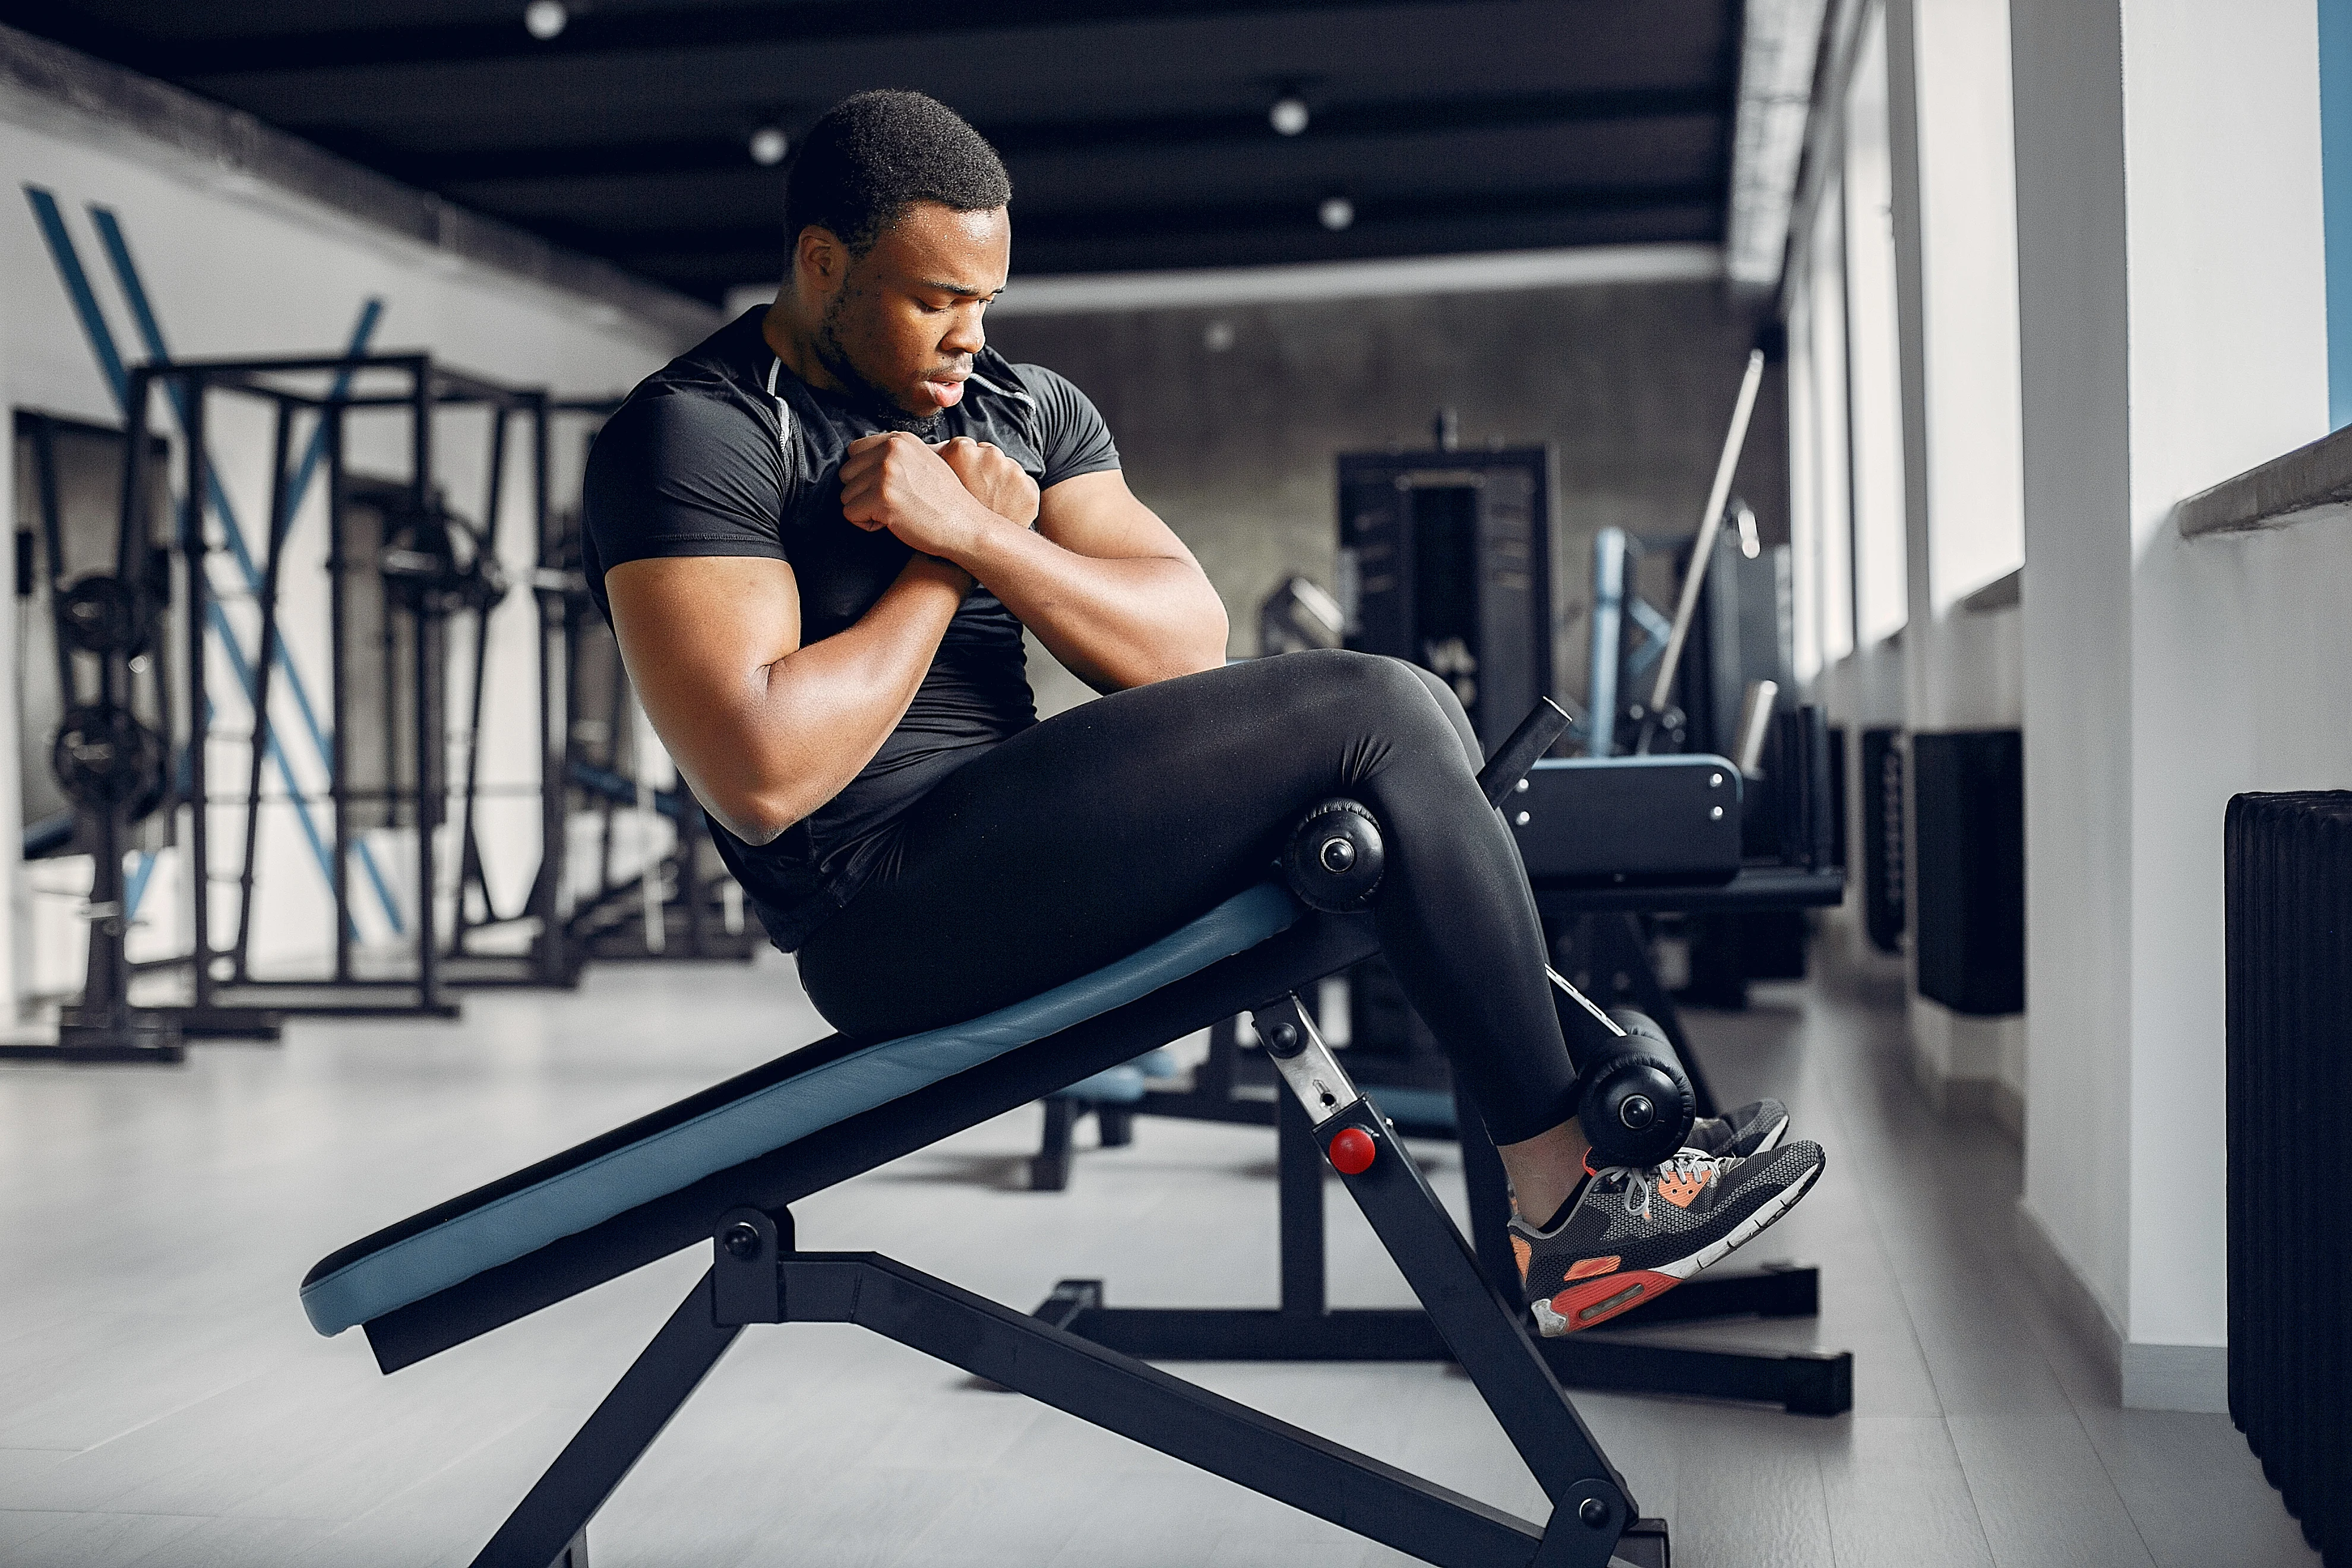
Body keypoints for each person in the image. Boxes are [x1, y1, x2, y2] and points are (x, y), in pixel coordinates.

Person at [580, 89, 1823, 1334]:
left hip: (1014, 851)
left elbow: (1187, 647)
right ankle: (1568, 1196)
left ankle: (1591, 1153)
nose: (968, 337)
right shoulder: (700, 433)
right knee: (1385, 707)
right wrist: (943, 558)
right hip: (880, 912)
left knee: (1401, 735)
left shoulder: (1022, 411)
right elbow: (762, 775)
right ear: (821, 263)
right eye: (933, 300)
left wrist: (979, 534)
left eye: (987, 301)